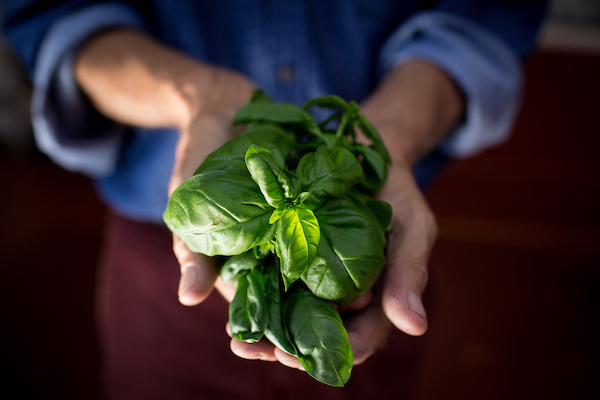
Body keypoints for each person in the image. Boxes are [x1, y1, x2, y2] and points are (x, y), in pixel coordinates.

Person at [2, 1, 547, 398]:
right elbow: (51, 14)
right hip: (160, 269)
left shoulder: (322, 215)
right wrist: (197, 96)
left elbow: (486, 15)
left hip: (379, 260)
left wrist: (389, 138)